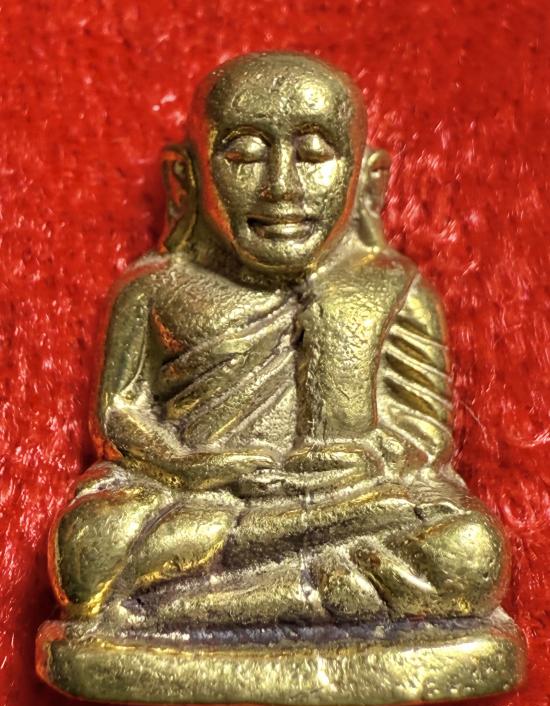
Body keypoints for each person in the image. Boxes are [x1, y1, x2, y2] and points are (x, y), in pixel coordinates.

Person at [51, 51, 507, 631]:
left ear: (369, 179)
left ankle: (187, 609)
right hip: (198, 500)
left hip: (349, 500)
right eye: (243, 155)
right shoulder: (154, 289)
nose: (282, 187)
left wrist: (371, 460)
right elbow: (118, 416)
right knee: (89, 546)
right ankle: (313, 594)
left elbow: (424, 431)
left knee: (468, 550)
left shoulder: (393, 288)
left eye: (314, 154)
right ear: (185, 177)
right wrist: (190, 468)